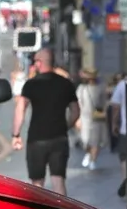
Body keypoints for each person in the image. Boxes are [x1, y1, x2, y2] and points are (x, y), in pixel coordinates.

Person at [11, 49, 79, 196]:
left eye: (35, 61)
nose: (34, 65)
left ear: (40, 63)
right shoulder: (66, 84)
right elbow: (75, 112)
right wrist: (65, 126)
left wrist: (16, 134)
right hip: (59, 138)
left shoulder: (31, 85)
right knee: (58, 181)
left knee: (37, 185)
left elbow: (20, 109)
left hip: (37, 139)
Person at [76, 68, 106, 169]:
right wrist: (78, 118)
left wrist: (103, 112)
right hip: (85, 118)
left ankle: (93, 160)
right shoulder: (82, 88)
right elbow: (78, 103)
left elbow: (104, 102)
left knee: (96, 141)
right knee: (85, 140)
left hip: (97, 118)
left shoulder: (100, 88)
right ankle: (88, 154)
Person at [110, 73, 127, 197]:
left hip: (125, 129)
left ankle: (126, 180)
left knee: (124, 157)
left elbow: (116, 107)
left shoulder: (122, 85)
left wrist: (114, 123)